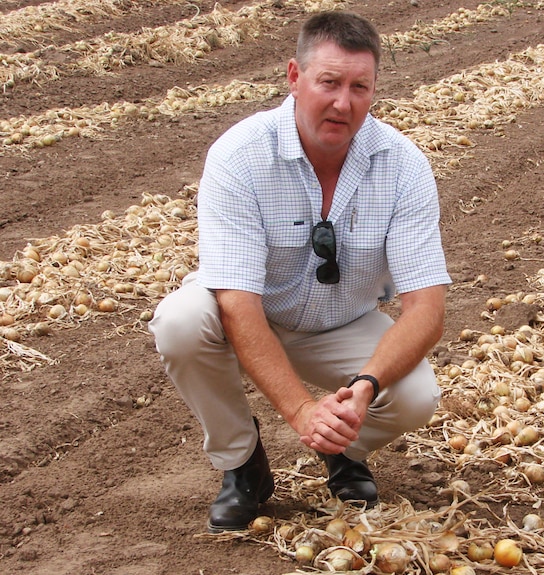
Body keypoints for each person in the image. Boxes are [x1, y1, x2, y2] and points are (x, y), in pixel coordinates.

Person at [149, 10, 450, 533]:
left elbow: (427, 308)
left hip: (342, 320)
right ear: (294, 77)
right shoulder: (240, 156)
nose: (343, 102)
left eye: (360, 86)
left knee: (415, 396)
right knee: (179, 322)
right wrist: (299, 411)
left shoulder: (403, 165)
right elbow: (238, 302)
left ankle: (342, 449)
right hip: (248, 314)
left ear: (375, 88)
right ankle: (243, 466)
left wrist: (363, 386)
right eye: (329, 82)